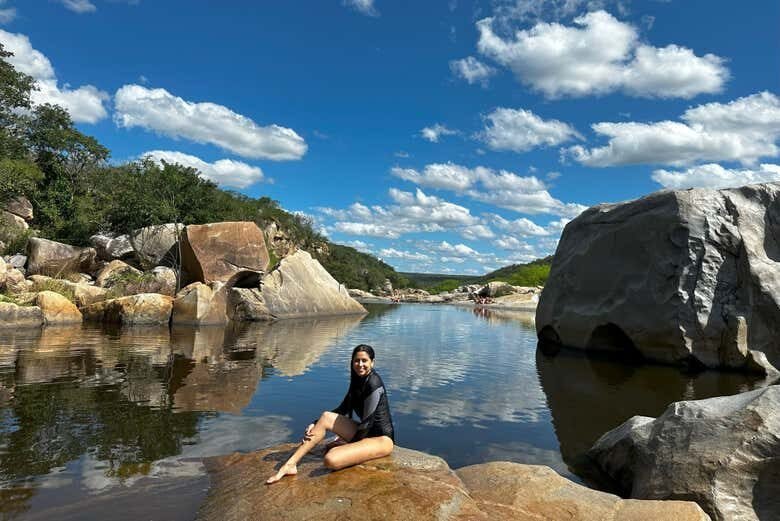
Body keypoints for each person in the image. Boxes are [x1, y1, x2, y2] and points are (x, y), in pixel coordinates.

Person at [266, 344, 395, 484]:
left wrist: (347, 443)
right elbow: (343, 409)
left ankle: (342, 449)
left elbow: (367, 424)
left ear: (372, 362)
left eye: (364, 360)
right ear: (352, 362)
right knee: (326, 416)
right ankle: (291, 464)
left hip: (381, 440)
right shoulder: (357, 381)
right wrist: (315, 423)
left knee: (330, 459)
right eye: (356, 361)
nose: (360, 364)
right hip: (365, 433)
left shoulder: (374, 383)